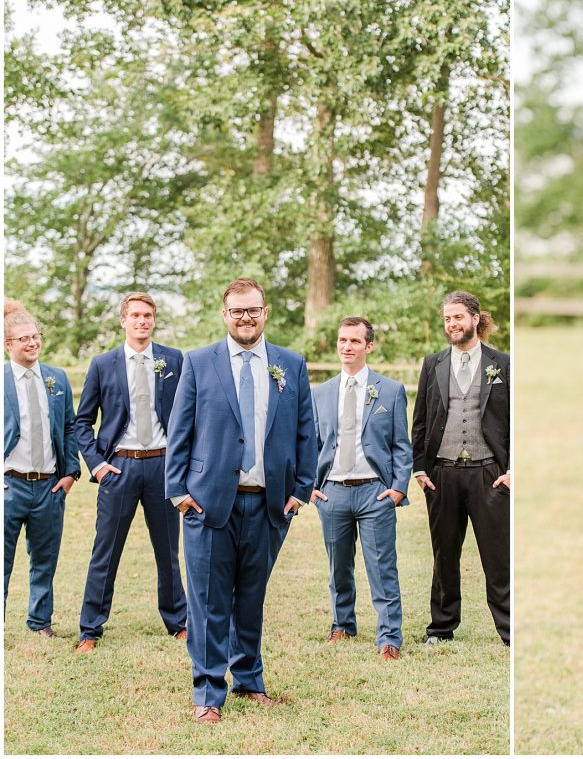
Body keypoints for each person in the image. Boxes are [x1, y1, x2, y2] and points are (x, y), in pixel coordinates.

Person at [165, 277, 317, 724]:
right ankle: (209, 694)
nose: (246, 318)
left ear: (265, 312)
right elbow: (180, 433)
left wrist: (299, 492)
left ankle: (249, 681)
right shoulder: (198, 363)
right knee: (209, 602)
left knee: (251, 598)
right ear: (224, 314)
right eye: (237, 311)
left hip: (269, 506)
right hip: (208, 504)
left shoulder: (291, 364)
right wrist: (179, 494)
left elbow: (307, 432)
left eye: (253, 310)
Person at [73, 292, 187, 652]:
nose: (142, 321)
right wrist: (99, 465)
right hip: (118, 467)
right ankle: (90, 629)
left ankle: (177, 622)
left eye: (148, 315)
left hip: (163, 466)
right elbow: (82, 423)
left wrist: (181, 465)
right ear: (123, 320)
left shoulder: (173, 360)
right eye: (135, 315)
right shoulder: (103, 363)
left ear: (154, 321)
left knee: (168, 551)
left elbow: (189, 415)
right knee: (105, 550)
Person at [309, 316, 412, 660]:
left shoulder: (390, 390)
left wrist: (397, 488)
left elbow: (401, 445)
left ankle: (389, 636)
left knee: (382, 566)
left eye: (354, 341)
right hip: (333, 491)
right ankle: (343, 623)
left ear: (368, 346)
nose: (346, 347)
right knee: (339, 566)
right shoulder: (320, 393)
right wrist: (311, 486)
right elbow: (310, 443)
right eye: (342, 340)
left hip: (374, 492)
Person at [411, 291, 510, 646]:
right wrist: (419, 469)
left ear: (475, 318)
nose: (452, 324)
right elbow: (420, 420)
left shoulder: (503, 362)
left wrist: (512, 470)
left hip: (489, 474)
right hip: (442, 474)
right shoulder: (432, 363)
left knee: (498, 557)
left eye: (458, 317)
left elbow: (515, 420)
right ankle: (441, 627)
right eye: (447, 319)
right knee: (445, 554)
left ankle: (510, 629)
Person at [3, 300, 80, 637]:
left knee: (45, 559)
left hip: (48, 486)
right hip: (10, 485)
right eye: (24, 339)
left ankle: (40, 623)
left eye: (36, 336)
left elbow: (68, 427)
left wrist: (70, 472)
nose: (33, 343)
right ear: (8, 345)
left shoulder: (56, 378)